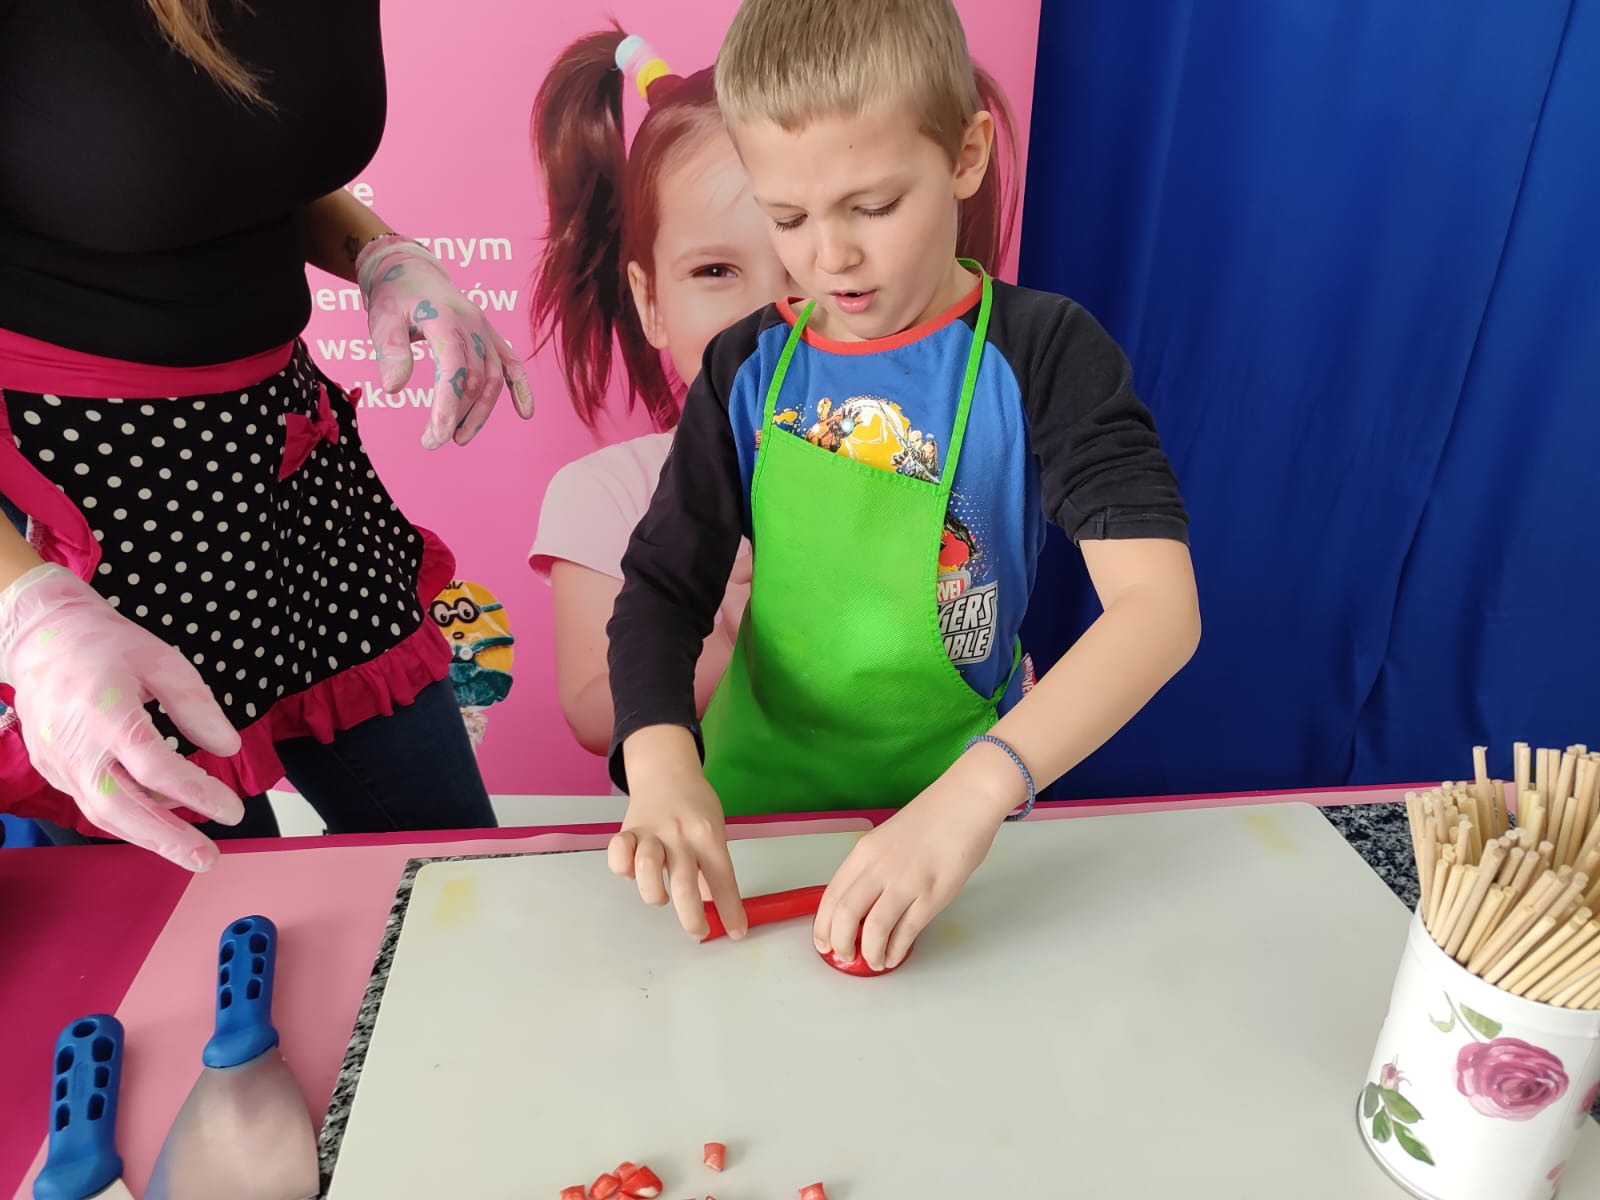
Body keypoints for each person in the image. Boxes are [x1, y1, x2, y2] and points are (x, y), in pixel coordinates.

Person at [602, 0, 1202, 973]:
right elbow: (664, 588)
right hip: (755, 818)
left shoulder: (1043, 352)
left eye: (873, 207)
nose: (828, 257)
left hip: (961, 811)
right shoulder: (745, 368)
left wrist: (974, 797)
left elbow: (1158, 609)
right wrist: (662, 762)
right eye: (786, 217)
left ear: (965, 156)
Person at [0, 0, 535, 871]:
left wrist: (382, 254)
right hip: (83, 509)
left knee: (454, 866)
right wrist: (29, 615)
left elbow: (213, 154)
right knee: (209, 910)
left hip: (284, 467)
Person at [524, 26, 1020, 757]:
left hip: (928, 802)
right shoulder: (606, 492)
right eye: (715, 272)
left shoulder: (929, 449)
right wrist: (756, 633)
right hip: (726, 816)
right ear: (650, 300)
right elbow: (595, 713)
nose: (767, 313)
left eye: (800, 263)